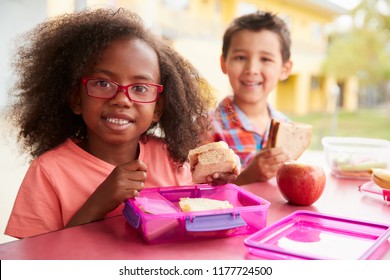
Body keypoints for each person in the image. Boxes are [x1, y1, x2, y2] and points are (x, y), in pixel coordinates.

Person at [4, 8, 217, 239]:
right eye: (103, 84)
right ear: (77, 98)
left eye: (140, 88)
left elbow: (195, 225)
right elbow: (35, 263)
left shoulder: (169, 159)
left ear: (157, 107)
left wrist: (216, 187)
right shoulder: (48, 172)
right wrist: (97, 204)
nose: (121, 100)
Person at [210, 11, 293, 185]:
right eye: (240, 57)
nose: (252, 69)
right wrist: (248, 176)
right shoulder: (206, 127)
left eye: (265, 59)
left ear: (285, 69)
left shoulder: (288, 128)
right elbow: (200, 192)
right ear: (224, 63)